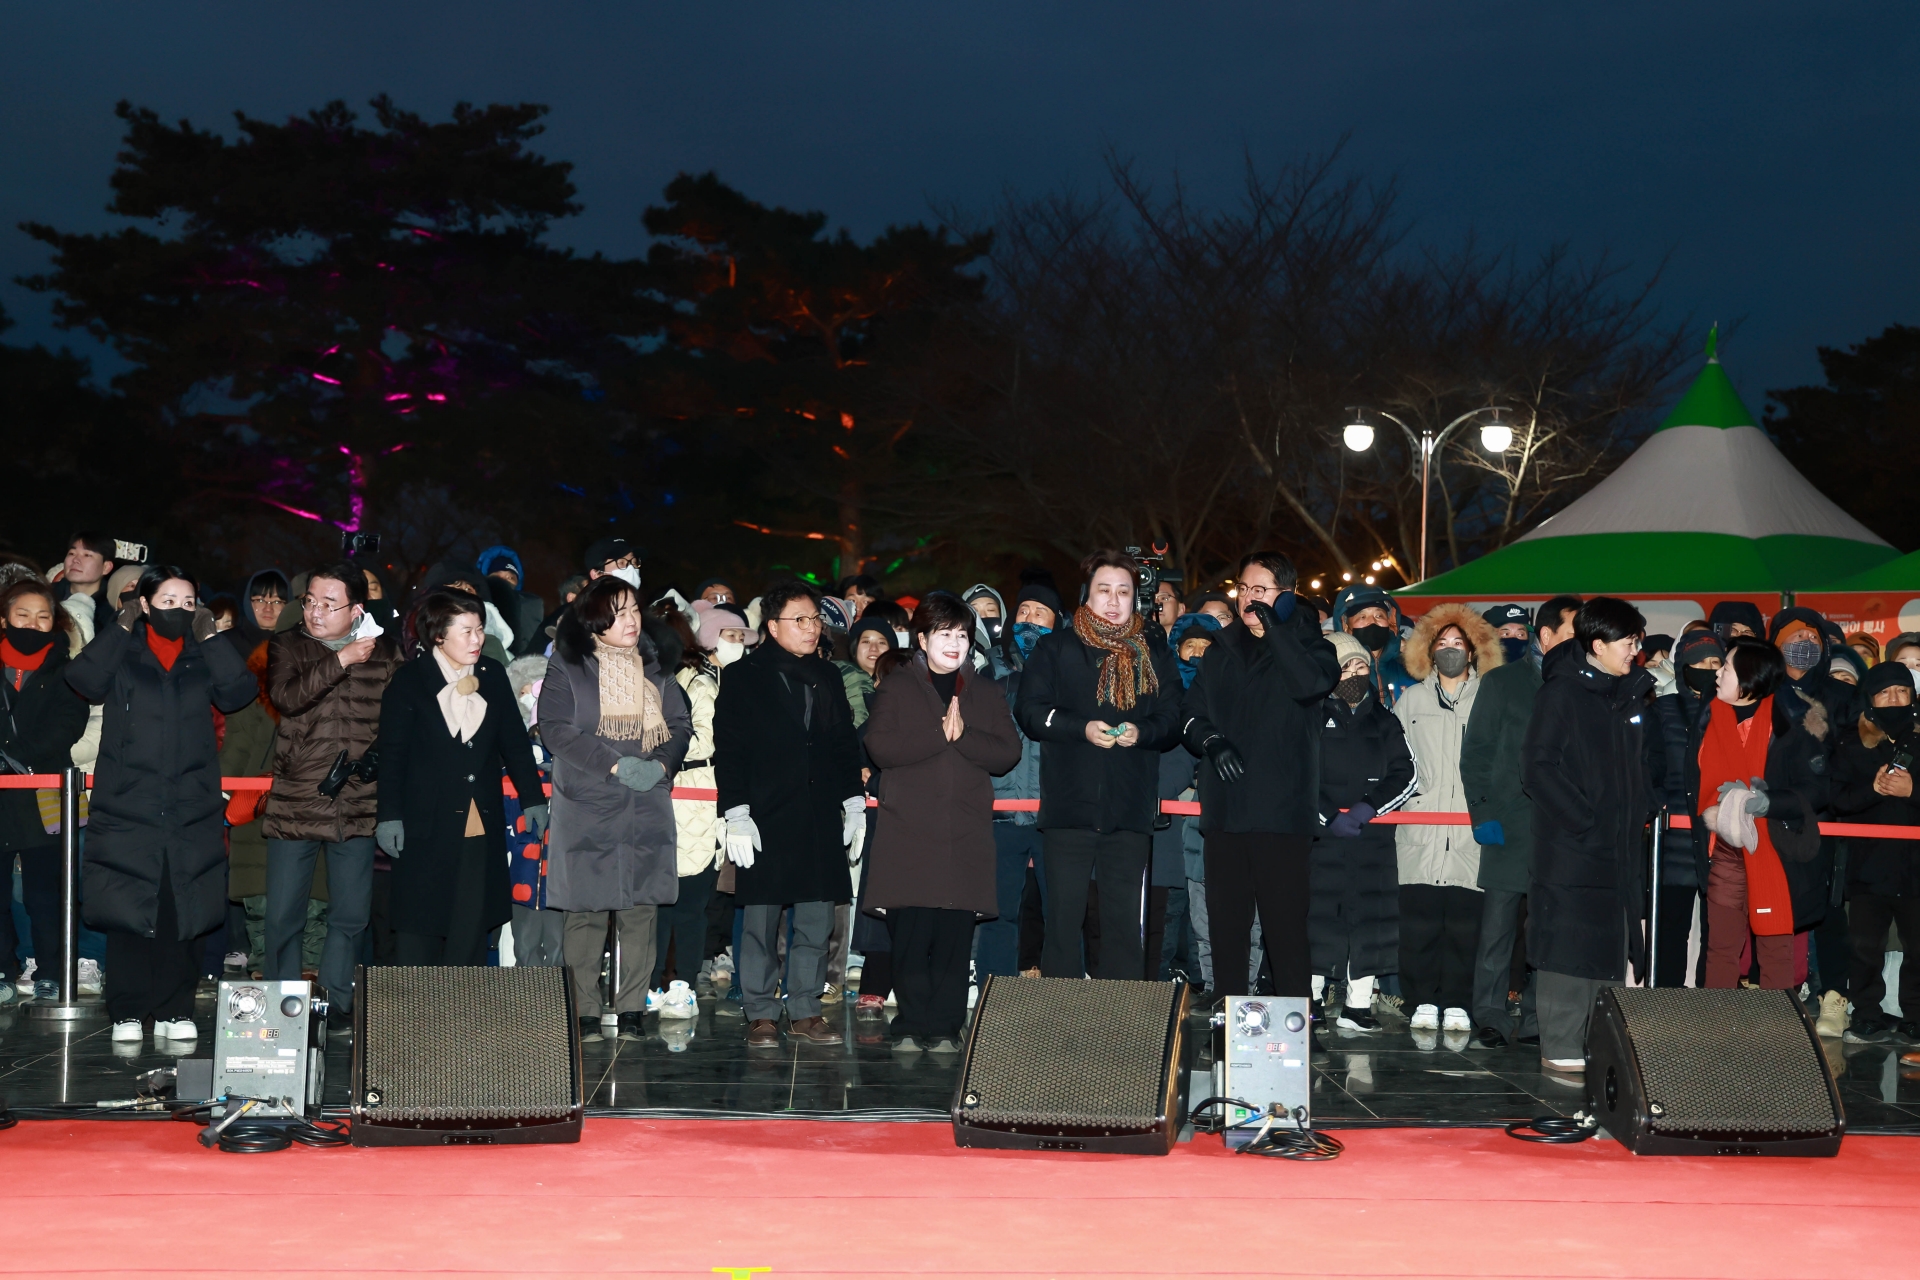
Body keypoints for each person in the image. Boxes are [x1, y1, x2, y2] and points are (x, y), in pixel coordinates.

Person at [65, 565, 257, 1042]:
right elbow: (84, 680)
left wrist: (211, 638)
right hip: (129, 800)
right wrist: (121, 626)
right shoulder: (123, 651)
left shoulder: (202, 654)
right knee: (129, 905)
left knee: (183, 906)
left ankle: (176, 1008)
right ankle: (127, 1010)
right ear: (145, 604)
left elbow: (240, 693)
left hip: (191, 801)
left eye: (188, 602)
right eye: (167, 601)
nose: (179, 610)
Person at [861, 593, 1021, 1052]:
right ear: (923, 638)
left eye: (963, 635)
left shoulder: (985, 689)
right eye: (945, 634)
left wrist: (964, 736)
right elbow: (882, 748)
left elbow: (1007, 753)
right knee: (911, 932)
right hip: (909, 831)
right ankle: (911, 1024)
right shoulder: (897, 685)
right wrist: (939, 735)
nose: (955, 643)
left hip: (963, 832)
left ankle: (947, 1026)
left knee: (954, 935)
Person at [1179, 551, 1340, 998]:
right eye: (1244, 589)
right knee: (1227, 932)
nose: (1250, 599)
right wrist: (1211, 740)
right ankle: (1227, 1026)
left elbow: (1310, 685)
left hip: (1282, 817)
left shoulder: (1313, 645)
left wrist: (1277, 629)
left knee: (1285, 932)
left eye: (1262, 590)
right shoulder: (1220, 650)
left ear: (1286, 595)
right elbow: (1189, 714)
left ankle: (1298, 1030)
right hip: (1226, 814)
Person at [537, 577, 691, 1041]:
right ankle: (583, 1011)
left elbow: (681, 724)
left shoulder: (656, 665)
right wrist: (615, 764)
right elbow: (555, 728)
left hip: (645, 801)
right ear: (594, 620)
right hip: (587, 802)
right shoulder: (569, 666)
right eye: (619, 612)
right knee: (585, 912)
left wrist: (661, 764)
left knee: (640, 909)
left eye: (634, 610)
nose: (631, 620)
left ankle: (631, 1011)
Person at [1017, 550, 1182, 981]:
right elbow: (1030, 711)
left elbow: (1172, 719)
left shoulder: (1153, 653)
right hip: (1069, 809)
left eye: (1124, 592)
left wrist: (1140, 732)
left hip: (1129, 810)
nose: (1114, 600)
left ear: (1135, 600)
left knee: (1125, 927)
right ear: (1086, 597)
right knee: (1063, 924)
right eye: (1104, 590)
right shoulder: (1056, 647)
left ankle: (1124, 1026)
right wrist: (1079, 727)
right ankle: (1059, 1019)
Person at [715, 580, 864, 1047]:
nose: (810, 629)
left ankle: (805, 1009)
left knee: (817, 918)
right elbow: (730, 748)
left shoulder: (829, 675)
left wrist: (853, 801)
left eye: (815, 620)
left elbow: (843, 742)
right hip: (764, 813)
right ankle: (760, 1012)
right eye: (800, 620)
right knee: (759, 919)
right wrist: (735, 810)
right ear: (773, 626)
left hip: (818, 811)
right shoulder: (743, 675)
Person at [263, 562, 401, 1033]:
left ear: (356, 609)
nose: (316, 612)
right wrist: (340, 660)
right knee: (283, 912)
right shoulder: (287, 643)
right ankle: (280, 1005)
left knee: (350, 913)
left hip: (358, 797)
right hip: (298, 795)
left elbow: (402, 719)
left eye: (329, 604)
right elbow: (286, 697)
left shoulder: (385, 652)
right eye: (310, 601)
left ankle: (338, 1001)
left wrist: (377, 760)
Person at [374, 590, 545, 970]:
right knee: (421, 920)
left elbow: (515, 744)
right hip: (425, 818)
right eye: (466, 631)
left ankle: (463, 1009)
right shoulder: (410, 680)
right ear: (438, 635)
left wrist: (533, 797)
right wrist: (389, 815)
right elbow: (393, 755)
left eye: (480, 629)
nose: (477, 639)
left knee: (471, 919)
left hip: (476, 815)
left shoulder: (492, 674)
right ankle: (416, 1010)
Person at [1522, 596, 1655, 1080]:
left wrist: (1645, 801)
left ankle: (1595, 1041)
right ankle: (1559, 1043)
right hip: (1571, 848)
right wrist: (1585, 821)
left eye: (1638, 640)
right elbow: (1537, 768)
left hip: (1617, 848)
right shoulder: (1561, 694)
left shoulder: (1628, 695)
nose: (1635, 650)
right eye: (1628, 641)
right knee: (1566, 946)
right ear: (1597, 645)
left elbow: (1637, 766)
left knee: (1606, 947)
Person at [1460, 595, 1580, 1048]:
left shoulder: (1582, 686)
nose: (1580, 643)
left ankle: (1536, 1017)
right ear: (1545, 635)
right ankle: (1489, 1014)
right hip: (1509, 824)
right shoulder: (1503, 683)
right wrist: (1484, 812)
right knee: (1497, 928)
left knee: (1548, 931)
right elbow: (1476, 754)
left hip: (1562, 829)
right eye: (1571, 634)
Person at [1697, 636, 1832, 992]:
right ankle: (1715, 1032)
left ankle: (1778, 1038)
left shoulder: (1793, 723)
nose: (1717, 673)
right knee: (1721, 948)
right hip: (1724, 847)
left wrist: (1769, 801)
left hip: (1775, 848)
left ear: (1748, 679)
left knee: (1775, 949)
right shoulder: (1709, 716)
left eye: (1725, 667)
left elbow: (1818, 790)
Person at [1393, 604, 1503, 1035]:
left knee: (1465, 925)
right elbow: (1397, 760)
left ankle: (1457, 1001)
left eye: (1459, 644)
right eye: (1443, 644)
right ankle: (1419, 999)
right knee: (1418, 925)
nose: (1451, 651)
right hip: (1419, 828)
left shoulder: (1489, 699)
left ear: (1474, 652)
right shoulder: (1412, 698)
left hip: (1469, 833)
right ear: (1428, 650)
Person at [1310, 630, 1416, 1032]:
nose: (1355, 672)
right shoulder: (1311, 716)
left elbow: (1405, 773)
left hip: (1371, 839)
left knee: (1371, 920)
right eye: (1345, 666)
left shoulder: (1384, 719)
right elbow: (1296, 775)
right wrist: (1327, 816)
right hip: (1322, 840)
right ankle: (1312, 999)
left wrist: (1366, 809)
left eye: (1360, 665)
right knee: (1318, 919)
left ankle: (1358, 1006)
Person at [0, 581, 89, 1004]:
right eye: (23, 615)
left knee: (45, 891)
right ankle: (3, 968)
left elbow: (68, 726)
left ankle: (51, 970)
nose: (33, 624)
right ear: (4, 619)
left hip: (43, 788)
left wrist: (13, 753)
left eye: (43, 616)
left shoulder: (66, 669)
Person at [1830, 662, 1920, 1043]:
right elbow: (1836, 800)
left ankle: (1915, 1017)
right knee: (1865, 949)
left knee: (1919, 949)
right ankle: (1866, 1014)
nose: (1894, 699)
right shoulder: (1852, 742)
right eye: (1885, 692)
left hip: (1916, 869)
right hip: (1868, 868)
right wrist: (1876, 789)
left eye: (1902, 691)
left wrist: (1913, 792)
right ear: (1870, 699)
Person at [977, 583, 1062, 982]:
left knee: (1061, 912)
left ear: (1056, 622)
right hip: (1001, 809)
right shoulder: (987, 668)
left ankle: (1064, 993)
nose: (1028, 619)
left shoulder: (1069, 666)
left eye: (1039, 613)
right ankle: (993, 990)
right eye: (1023, 611)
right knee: (997, 910)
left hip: (1054, 810)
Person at [1648, 629, 1726, 990]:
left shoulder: (1733, 715)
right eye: (1700, 663)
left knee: (1718, 941)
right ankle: (1664, 1010)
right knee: (1670, 936)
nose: (1709, 670)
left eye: (1716, 663)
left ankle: (1706, 1013)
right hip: (1673, 843)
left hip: (1721, 844)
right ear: (1683, 667)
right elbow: (1651, 769)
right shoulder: (1662, 710)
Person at [650, 610, 718, 1017]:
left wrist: (655, 744)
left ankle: (686, 984)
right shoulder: (640, 683)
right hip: (652, 796)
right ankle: (651, 982)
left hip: (693, 796)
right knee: (653, 903)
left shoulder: (700, 684)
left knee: (690, 903)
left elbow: (706, 740)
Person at [504, 653, 564, 969]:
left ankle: (558, 1001)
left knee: (558, 948)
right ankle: (525, 999)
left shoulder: (571, 772)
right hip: (520, 875)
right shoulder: (512, 770)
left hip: (560, 879)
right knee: (524, 946)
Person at [1330, 584, 1414, 705]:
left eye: (1379, 615)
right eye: (1362, 616)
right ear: (1345, 625)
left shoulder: (1411, 666)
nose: (1372, 621)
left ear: (1391, 622)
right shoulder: (1334, 670)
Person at [477, 545, 547, 658]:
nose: (504, 581)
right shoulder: (475, 608)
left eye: (511, 578)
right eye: (497, 577)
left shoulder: (530, 606)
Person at [836, 615, 896, 729]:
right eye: (866, 642)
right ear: (855, 648)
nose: (873, 648)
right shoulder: (838, 677)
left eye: (881, 643)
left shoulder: (900, 685)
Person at [54, 533, 116, 638]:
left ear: (106, 567)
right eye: (72, 553)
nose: (75, 560)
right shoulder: (45, 595)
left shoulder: (113, 609)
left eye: (87, 555)